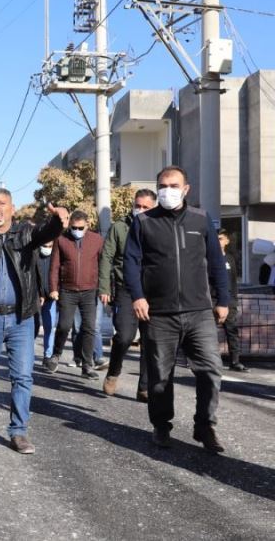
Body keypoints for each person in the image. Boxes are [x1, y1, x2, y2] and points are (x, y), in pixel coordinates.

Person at [124, 166, 228, 452]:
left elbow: (216, 263)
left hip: (199, 311)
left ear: (186, 189)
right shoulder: (143, 222)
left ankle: (205, 426)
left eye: (173, 185)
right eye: (162, 185)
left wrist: (223, 300)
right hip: (159, 314)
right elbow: (131, 262)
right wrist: (138, 296)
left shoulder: (201, 219)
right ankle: (161, 426)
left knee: (210, 370)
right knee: (160, 376)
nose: (167, 190)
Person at [0, 189, 67, 455]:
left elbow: (46, 233)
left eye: (2, 203)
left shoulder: (25, 233)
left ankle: (18, 431)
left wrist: (57, 220)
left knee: (22, 376)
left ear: (13, 208)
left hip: (22, 318)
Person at [99, 188, 157, 399]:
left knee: (150, 340)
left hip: (152, 290)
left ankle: (144, 387)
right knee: (124, 336)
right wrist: (104, 287)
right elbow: (106, 257)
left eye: (145, 207)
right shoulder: (120, 228)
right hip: (126, 289)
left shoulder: (160, 228)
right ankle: (113, 371)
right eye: (137, 205)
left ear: (154, 208)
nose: (140, 210)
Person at [46, 210, 104, 379]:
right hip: (67, 291)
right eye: (73, 227)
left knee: (89, 328)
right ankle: (56, 354)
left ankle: (87, 365)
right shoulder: (62, 239)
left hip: (89, 291)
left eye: (80, 227)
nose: (76, 230)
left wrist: (105, 288)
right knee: (64, 325)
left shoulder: (97, 240)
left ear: (87, 226)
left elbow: (103, 265)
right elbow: (54, 266)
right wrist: (53, 288)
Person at [217, 229, 248, 372]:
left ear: (227, 241)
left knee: (232, 331)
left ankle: (235, 361)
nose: (218, 241)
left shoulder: (230, 258)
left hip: (230, 301)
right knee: (208, 332)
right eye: (216, 238)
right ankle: (209, 361)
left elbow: (234, 281)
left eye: (221, 238)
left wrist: (234, 300)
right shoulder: (208, 258)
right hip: (213, 300)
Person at [37, 241, 57, 363]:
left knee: (49, 327)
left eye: (50, 246)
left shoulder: (56, 257)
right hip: (37, 298)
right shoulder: (35, 256)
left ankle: (48, 355)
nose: (47, 249)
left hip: (51, 297)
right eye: (45, 246)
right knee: (32, 328)